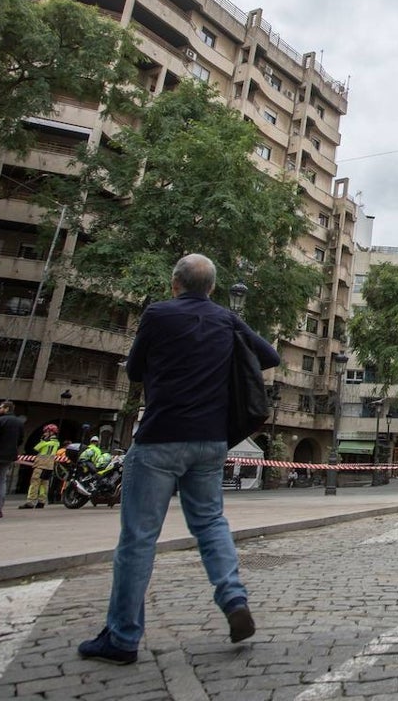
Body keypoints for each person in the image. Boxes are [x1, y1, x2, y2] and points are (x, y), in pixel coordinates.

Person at [78, 254, 279, 666]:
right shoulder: (225, 319)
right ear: (211, 288)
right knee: (210, 523)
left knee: (138, 536)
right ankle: (233, 597)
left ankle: (122, 636)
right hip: (210, 442)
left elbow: (134, 370)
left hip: (160, 438)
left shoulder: (158, 315)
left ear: (175, 284)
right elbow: (268, 356)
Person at [20, 424, 60, 509]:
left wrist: (42, 440)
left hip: (40, 465)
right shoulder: (56, 443)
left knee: (34, 483)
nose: (44, 433)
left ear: (51, 432)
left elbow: (36, 448)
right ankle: (41, 501)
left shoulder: (45, 443)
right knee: (44, 485)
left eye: (46, 432)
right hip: (49, 466)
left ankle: (30, 502)